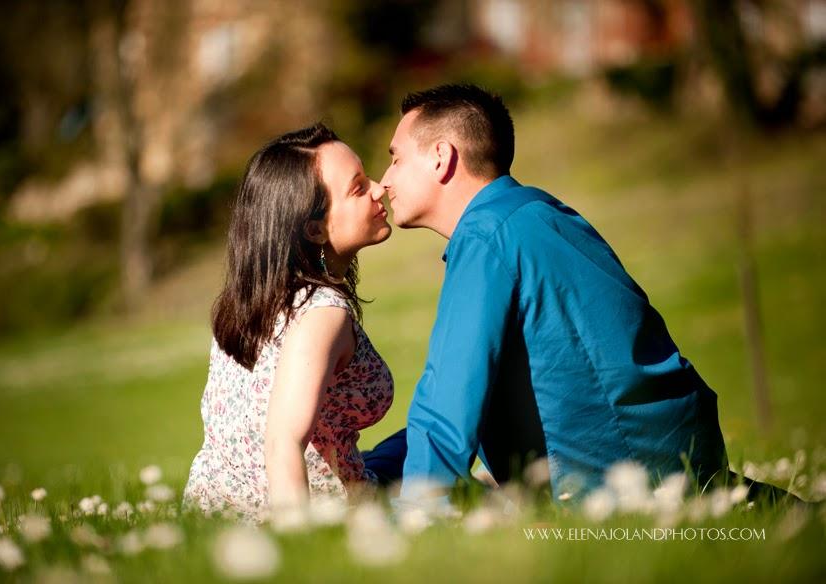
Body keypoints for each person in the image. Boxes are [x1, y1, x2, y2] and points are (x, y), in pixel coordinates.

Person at [380, 83, 738, 506]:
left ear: (441, 157)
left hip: (618, 484)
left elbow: (448, 396)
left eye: (396, 158)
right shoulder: (541, 214)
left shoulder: (485, 235)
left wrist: (417, 511)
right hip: (681, 457)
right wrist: (376, 465)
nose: (384, 180)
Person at [183, 124, 406, 523]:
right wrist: (299, 549)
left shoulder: (249, 300)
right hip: (310, 513)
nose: (379, 188)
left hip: (210, 513)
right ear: (313, 228)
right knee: (440, 436)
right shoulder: (322, 314)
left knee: (420, 437)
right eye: (357, 188)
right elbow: (282, 442)